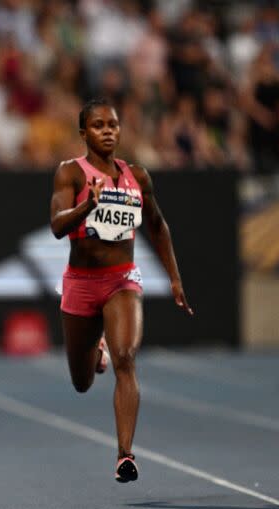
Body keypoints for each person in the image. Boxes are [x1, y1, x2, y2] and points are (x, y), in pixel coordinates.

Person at [50, 99, 193, 483]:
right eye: (98, 125)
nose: (108, 131)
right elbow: (57, 225)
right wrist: (87, 207)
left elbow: (159, 226)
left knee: (126, 357)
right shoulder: (71, 174)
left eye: (113, 124)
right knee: (82, 382)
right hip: (81, 283)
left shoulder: (138, 177)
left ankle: (125, 455)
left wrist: (175, 278)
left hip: (122, 280)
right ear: (84, 133)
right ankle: (95, 348)